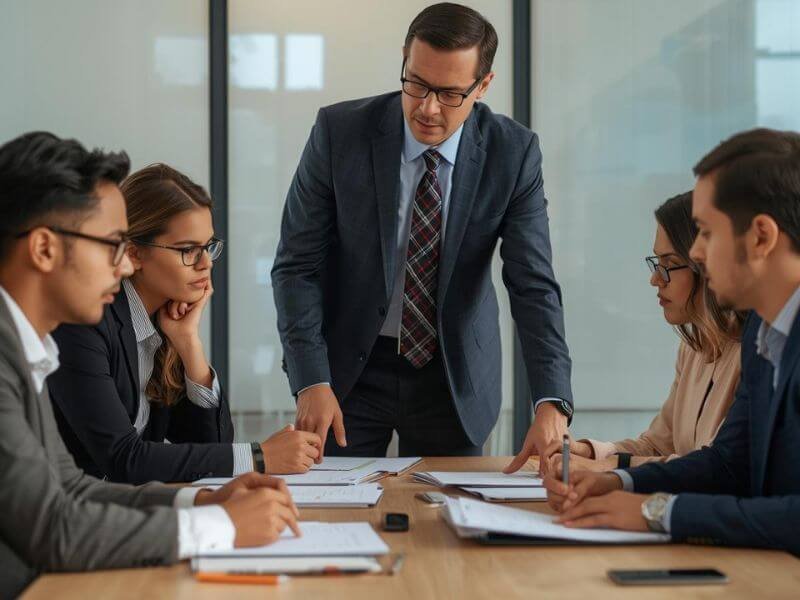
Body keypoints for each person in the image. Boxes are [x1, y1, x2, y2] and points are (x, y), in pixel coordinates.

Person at [272, 2, 573, 469]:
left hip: (453, 376)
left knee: (452, 519)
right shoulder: (340, 133)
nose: (428, 108)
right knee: (327, 508)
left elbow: (532, 284)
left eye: (450, 93)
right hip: (349, 369)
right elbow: (297, 266)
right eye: (416, 83)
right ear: (404, 60)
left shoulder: (512, 154)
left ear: (483, 85)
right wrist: (311, 379)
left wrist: (551, 401)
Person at [0, 132, 300, 598]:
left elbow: (71, 488)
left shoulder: (26, 343)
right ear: (43, 249)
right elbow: (55, 528)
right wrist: (218, 524)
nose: (122, 268)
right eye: (111, 245)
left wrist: (203, 500)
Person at [544, 128, 800, 556]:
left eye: (705, 231)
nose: (696, 253)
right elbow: (728, 463)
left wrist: (655, 511)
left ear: (761, 236)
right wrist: (619, 481)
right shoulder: (765, 332)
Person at [49, 164, 320, 484]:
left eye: (208, 247)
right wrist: (259, 456)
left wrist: (189, 343)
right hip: (63, 519)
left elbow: (213, 447)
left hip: (124, 509)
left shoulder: (161, 323)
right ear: (134, 254)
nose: (206, 263)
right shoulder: (82, 322)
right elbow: (123, 458)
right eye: (188, 250)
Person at [551, 192, 744, 472]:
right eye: (656, 263)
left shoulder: (753, 353)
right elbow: (657, 446)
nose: (655, 279)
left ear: (705, 265)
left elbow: (713, 467)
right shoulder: (693, 348)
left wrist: (609, 468)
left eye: (668, 265)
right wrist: (587, 451)